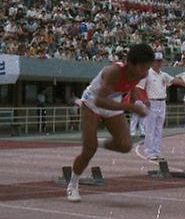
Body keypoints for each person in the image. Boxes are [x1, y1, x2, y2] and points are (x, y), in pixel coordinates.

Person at [66, 44, 154, 202]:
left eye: (148, 68)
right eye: (142, 67)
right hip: (93, 103)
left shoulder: (141, 74)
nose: (145, 72)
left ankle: (97, 142)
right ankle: (72, 184)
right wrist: (129, 106)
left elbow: (131, 86)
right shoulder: (113, 72)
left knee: (126, 145)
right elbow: (100, 101)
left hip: (114, 103)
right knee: (88, 151)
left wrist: (135, 99)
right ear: (131, 64)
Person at [137, 52, 185, 161]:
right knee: (150, 128)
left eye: (160, 61)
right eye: (156, 61)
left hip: (162, 102)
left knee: (159, 129)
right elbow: (138, 88)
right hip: (152, 102)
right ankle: (149, 152)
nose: (159, 63)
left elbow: (174, 80)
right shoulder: (146, 74)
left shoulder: (163, 75)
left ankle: (156, 151)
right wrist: (144, 99)